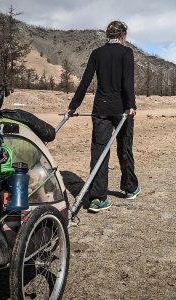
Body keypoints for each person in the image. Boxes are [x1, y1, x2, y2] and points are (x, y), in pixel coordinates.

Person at [67, 20, 141, 213]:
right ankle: (130, 187)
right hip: (122, 109)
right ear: (123, 35)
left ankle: (97, 198)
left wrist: (73, 106)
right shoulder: (126, 52)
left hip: (100, 108)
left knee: (99, 151)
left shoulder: (97, 53)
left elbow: (84, 83)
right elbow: (128, 82)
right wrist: (131, 105)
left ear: (108, 35)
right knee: (124, 148)